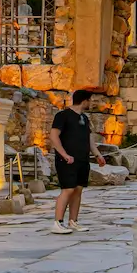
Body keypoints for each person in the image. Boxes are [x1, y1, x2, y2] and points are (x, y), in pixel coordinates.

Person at [49, 89, 106, 234]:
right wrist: (64, 154)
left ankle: (73, 221)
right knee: (68, 189)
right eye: (90, 100)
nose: (91, 103)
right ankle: (58, 222)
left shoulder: (84, 118)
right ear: (84, 100)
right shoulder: (62, 116)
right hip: (67, 160)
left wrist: (97, 154)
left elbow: (89, 138)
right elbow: (54, 136)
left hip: (82, 159)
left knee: (78, 190)